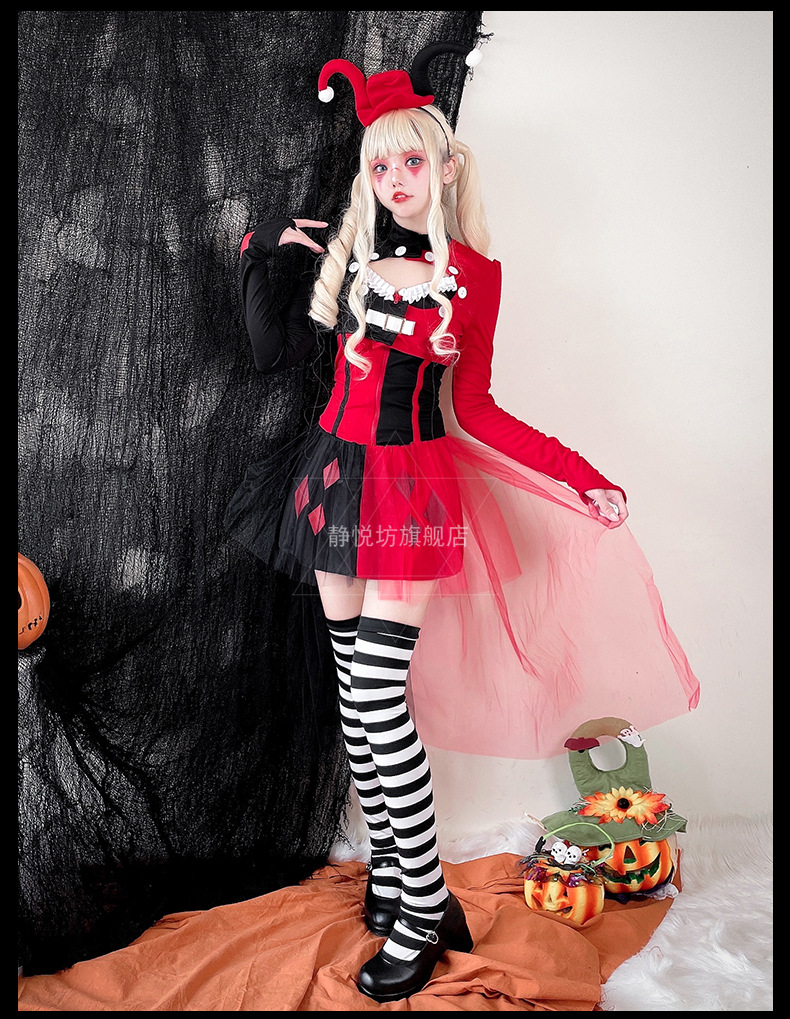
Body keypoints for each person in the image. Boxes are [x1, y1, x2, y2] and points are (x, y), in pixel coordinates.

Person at [224, 43, 695, 1002]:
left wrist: (581, 475)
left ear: (446, 167)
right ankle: (399, 882)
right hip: (330, 482)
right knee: (356, 699)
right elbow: (270, 352)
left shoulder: (474, 275)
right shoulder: (354, 256)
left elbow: (475, 408)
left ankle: (427, 902)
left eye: (412, 160)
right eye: (380, 165)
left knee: (379, 699)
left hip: (410, 489)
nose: (396, 179)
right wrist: (262, 249)